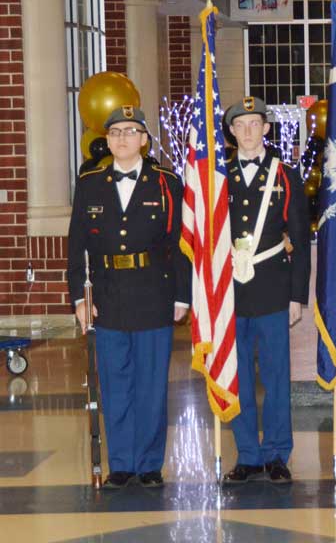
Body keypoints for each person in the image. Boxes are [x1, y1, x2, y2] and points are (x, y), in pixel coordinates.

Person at [67, 106, 190, 489]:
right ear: (106, 140)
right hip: (107, 293)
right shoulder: (90, 182)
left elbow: (180, 244)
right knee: (115, 383)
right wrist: (79, 298)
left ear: (144, 139)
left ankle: (150, 464)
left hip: (154, 290)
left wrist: (182, 296)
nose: (122, 139)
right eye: (115, 132)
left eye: (130, 131)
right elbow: (76, 246)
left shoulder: (167, 182)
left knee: (152, 384)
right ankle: (121, 462)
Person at [221, 96, 310, 484]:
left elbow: (302, 241)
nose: (248, 131)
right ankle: (247, 454)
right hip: (230, 293)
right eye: (240, 125)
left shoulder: (286, 175)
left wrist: (297, 296)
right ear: (231, 132)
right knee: (236, 374)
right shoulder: (218, 177)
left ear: (267, 129)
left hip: (273, 285)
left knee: (275, 376)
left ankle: (276, 453)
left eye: (255, 124)